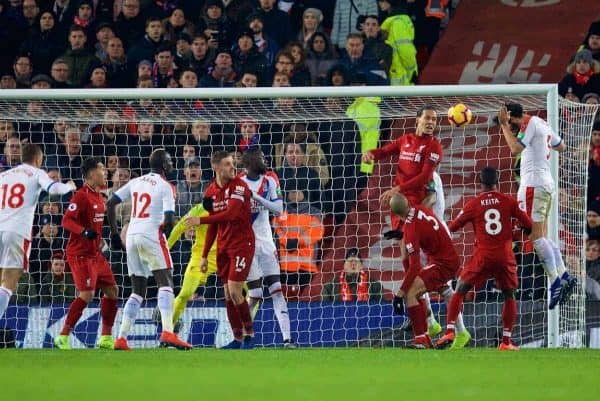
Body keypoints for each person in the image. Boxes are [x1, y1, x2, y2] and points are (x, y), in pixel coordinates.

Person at [436, 167, 533, 351]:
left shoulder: (474, 204)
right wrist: (520, 230)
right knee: (509, 295)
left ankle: (449, 330)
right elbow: (528, 224)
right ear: (498, 181)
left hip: (482, 255)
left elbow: (453, 227)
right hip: (504, 256)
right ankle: (505, 342)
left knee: (460, 290)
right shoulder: (509, 201)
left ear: (480, 182)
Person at [107, 149, 191, 351]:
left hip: (132, 236)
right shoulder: (166, 186)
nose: (172, 164)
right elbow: (170, 219)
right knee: (166, 281)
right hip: (151, 233)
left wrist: (115, 233)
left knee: (138, 290)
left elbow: (110, 202)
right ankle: (168, 332)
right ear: (164, 165)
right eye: (170, 160)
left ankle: (121, 337)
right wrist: (164, 228)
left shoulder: (137, 181)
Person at [497, 102, 575, 309]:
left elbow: (514, 148)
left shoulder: (529, 124)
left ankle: (554, 281)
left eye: (509, 121)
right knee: (543, 236)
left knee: (535, 236)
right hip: (546, 184)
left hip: (533, 186)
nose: (509, 127)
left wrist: (504, 126)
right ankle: (564, 275)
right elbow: (561, 146)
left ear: (513, 117)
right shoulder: (540, 122)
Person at [185, 150, 256, 349]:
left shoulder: (240, 186)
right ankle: (237, 338)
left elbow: (231, 214)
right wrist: (205, 255)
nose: (232, 167)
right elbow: (213, 227)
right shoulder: (211, 192)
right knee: (226, 293)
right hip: (223, 246)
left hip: (242, 244)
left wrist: (200, 219)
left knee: (235, 291)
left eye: (232, 163)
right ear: (216, 167)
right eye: (227, 164)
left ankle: (250, 333)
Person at [0, 144, 75, 321]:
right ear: (38, 160)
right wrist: (69, 186)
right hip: (16, 231)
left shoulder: (3, 175)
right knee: (11, 279)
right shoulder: (36, 172)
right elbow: (55, 189)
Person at [55, 157, 118, 350]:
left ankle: (106, 337)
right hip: (80, 254)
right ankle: (63, 336)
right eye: (101, 168)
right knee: (87, 294)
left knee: (112, 291)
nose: (105, 171)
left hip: (95, 254)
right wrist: (83, 231)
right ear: (91, 174)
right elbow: (66, 221)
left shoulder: (99, 196)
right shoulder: (81, 196)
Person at [389, 193, 460, 349]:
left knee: (410, 292)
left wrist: (400, 294)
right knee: (426, 289)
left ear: (396, 213)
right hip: (447, 259)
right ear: (408, 202)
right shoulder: (421, 209)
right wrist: (403, 235)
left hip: (443, 264)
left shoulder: (410, 229)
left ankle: (422, 339)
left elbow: (414, 267)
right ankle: (439, 332)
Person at [239, 149, 295, 348]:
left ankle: (288, 339)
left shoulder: (271, 179)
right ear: (250, 161)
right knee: (255, 294)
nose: (265, 160)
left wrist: (256, 197)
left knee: (277, 290)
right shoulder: (238, 182)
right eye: (261, 157)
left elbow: (279, 208)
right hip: (245, 244)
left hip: (266, 243)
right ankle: (240, 334)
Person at [362, 104, 442, 230]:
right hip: (400, 198)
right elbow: (384, 151)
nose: (431, 122)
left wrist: (396, 189)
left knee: (414, 238)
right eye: (427, 118)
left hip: (418, 197)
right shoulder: (405, 140)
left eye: (434, 119)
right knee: (401, 237)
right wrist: (371, 153)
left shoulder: (433, 146)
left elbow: (424, 177)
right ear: (417, 120)